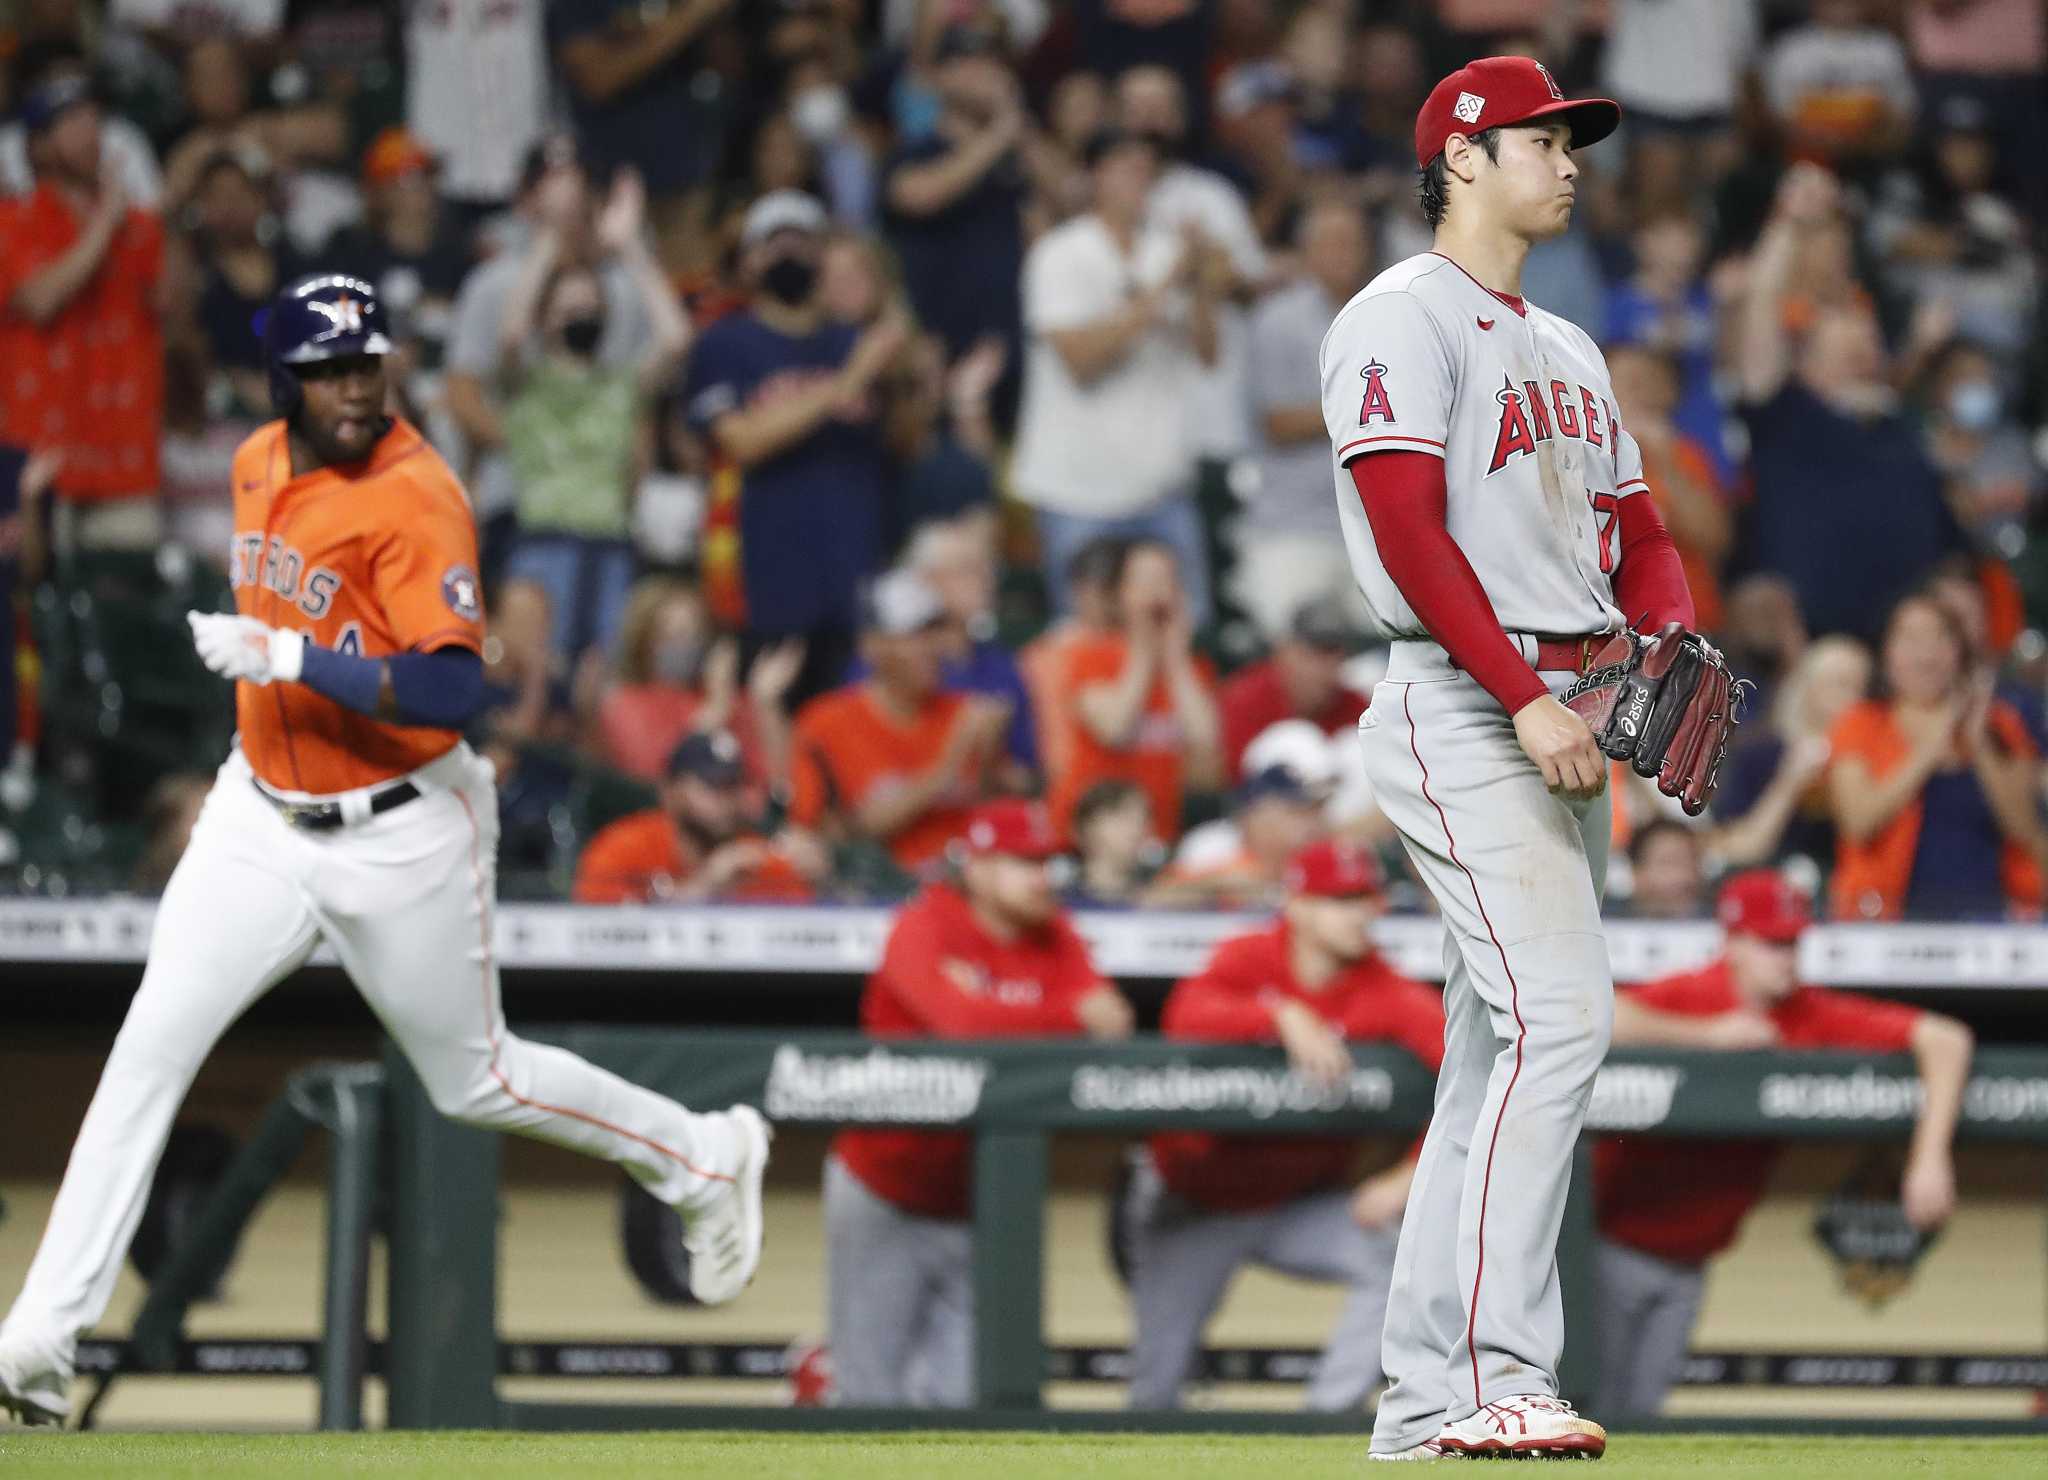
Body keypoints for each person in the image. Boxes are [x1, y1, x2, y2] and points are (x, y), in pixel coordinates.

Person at [0, 276, 770, 1429]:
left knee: (478, 1080)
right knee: (151, 1043)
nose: (357, 387)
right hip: (259, 816)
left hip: (404, 825)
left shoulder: (416, 494)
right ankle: (37, 1345)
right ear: (286, 380)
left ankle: (701, 1155)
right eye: (330, 368)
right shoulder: (261, 458)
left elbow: (455, 690)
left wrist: (294, 657)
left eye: (369, 363)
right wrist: (283, 666)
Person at [1324, 58, 1694, 1462]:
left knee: (1494, 1058)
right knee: (1563, 1023)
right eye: (1543, 139)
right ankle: (1492, 1377)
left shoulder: (1573, 350)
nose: (1570, 160)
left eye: (1570, 140)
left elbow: (1643, 536)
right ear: (1461, 158)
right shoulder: (1400, 317)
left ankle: (1426, 1404)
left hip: (1564, 711)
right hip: (1467, 701)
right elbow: (1409, 531)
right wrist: (1526, 699)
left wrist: (1652, 652)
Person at [1593, 870, 1974, 1419]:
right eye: (1771, 944)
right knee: (1589, 1409)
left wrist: (1929, 1157)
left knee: (1640, 1417)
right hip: (1611, 1244)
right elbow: (1599, 1017)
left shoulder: (1809, 1010)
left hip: (1694, 1258)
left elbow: (1946, 1039)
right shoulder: (1696, 991)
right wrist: (1709, 1037)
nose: (1786, 958)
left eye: (1794, 942)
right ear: (1734, 944)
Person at [825, 800, 1134, 1406]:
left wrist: (1006, 1013)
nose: (1043, 877)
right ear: (977, 869)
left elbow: (1112, 1023)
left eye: (1048, 862)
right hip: (886, 1189)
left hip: (986, 1204)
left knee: (969, 1405)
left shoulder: (1057, 935)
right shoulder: (924, 925)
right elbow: (960, 1025)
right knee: (867, 1401)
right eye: (1023, 862)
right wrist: (1060, 1017)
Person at [1124, 839, 1444, 1412]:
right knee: (1155, 1389)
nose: (1358, 914)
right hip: (1195, 1200)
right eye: (1338, 899)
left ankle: (1325, 1422)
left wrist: (1405, 1177)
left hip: (1298, 1205)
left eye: (1364, 899)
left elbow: (1467, 1075)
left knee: (1401, 1261)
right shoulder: (1248, 958)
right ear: (1297, 906)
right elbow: (1185, 1018)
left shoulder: (1384, 987)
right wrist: (1279, 1014)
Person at [683, 190, 908, 705]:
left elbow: (903, 437)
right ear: (747, 261)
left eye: (801, 242)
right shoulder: (725, 343)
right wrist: (845, 384)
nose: (788, 255)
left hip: (857, 575)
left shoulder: (853, 340)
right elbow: (741, 441)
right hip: (765, 579)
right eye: (772, 243)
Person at [1733, 165, 1964, 641]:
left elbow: (1947, 534)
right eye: (1844, 331)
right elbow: (1760, 306)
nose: (1864, 341)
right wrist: (1788, 225)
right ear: (1802, 354)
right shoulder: (1783, 410)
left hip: (1911, 642)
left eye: (1869, 333)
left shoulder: (1896, 420)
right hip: (1821, 643)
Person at [1011, 128, 1222, 625]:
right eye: (1126, 167)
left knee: (1189, 639)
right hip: (1077, 491)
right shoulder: (1059, 255)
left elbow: (1209, 354)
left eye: (1148, 171)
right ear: (1095, 178)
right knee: (1089, 646)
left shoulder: (1168, 249)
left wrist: (1202, 286)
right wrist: (1168, 280)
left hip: (1161, 486)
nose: (1140, 180)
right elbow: (1082, 363)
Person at [496, 169, 690, 665]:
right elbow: (513, 335)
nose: (581, 313)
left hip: (611, 549)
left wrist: (630, 249)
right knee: (534, 673)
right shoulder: (527, 385)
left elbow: (676, 340)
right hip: (543, 546)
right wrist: (551, 237)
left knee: (600, 683)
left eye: (590, 305)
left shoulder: (620, 385)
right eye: (568, 306)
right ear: (547, 318)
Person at [0, 69, 166, 552]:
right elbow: (38, 300)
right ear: (37, 146)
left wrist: (159, 209)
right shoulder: (13, 221)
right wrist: (105, 226)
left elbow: (172, 309)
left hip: (125, 457)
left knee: (128, 618)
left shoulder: (138, 224)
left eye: (93, 116)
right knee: (37, 610)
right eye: (70, 120)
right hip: (40, 460)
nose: (89, 130)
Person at [1827, 590, 2044, 920]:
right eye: (1911, 639)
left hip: (1990, 918)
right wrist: (1934, 743)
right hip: (1885, 919)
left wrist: (1979, 739)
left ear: (1961, 653)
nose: (1926, 654)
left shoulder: (2000, 724)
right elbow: (1859, 820)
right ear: (1887, 653)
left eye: (1941, 638)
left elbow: (2024, 828)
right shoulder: (1861, 723)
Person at [787, 566, 1010, 880]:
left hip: (967, 890)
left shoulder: (966, 712)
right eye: (916, 635)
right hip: (875, 893)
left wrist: (989, 757)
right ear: (873, 646)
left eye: (936, 633)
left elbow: (995, 817)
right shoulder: (826, 721)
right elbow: (843, 832)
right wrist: (949, 764)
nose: (932, 647)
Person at [1236, 203, 1375, 639]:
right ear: (1306, 253)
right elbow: (1277, 424)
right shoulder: (1278, 319)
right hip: (1293, 527)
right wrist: (1365, 407)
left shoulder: (1388, 313)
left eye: (1351, 242)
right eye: (1329, 243)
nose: (1342, 253)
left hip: (1374, 531)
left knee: (1401, 653)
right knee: (1296, 644)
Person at [1044, 539, 1221, 848]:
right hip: (1084, 843)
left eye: (1166, 579)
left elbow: (1206, 742)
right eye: (1144, 580)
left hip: (1155, 837)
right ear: (1117, 594)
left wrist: (1175, 659)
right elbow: (1113, 729)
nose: (1157, 592)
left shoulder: (1191, 668)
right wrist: (1143, 652)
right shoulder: (1090, 655)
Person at [572, 730, 817, 904]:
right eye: (712, 786)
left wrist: (821, 880)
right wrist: (704, 888)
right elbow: (593, 915)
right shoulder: (626, 845)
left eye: (734, 785)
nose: (727, 799)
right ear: (670, 792)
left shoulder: (755, 857)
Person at [1709, 635, 1871, 872]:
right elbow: (1736, 850)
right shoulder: (1759, 755)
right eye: (1841, 683)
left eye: (1862, 688)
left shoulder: (1873, 759)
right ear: (1807, 689)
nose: (1854, 699)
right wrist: (1789, 782)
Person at [1218, 596, 1371, 783]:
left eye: (1336, 653)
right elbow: (1229, 783)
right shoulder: (1244, 698)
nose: (1327, 667)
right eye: (1316, 652)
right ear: (1284, 652)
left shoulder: (1355, 705)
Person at [1143, 766, 1327, 912]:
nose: (1312, 822)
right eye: (1297, 812)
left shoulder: (1319, 858)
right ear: (1258, 816)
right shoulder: (1218, 850)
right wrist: (1217, 885)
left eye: (1313, 812)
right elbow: (1151, 900)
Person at [1064, 778, 1157, 907]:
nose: (1137, 829)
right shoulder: (1060, 900)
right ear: (1086, 828)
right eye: (1123, 818)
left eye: (1142, 819)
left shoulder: (1160, 893)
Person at [1616, 818, 1708, 920]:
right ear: (1637, 872)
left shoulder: (1718, 922)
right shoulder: (1606, 923)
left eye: (1690, 862)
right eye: (1668, 862)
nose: (1682, 876)